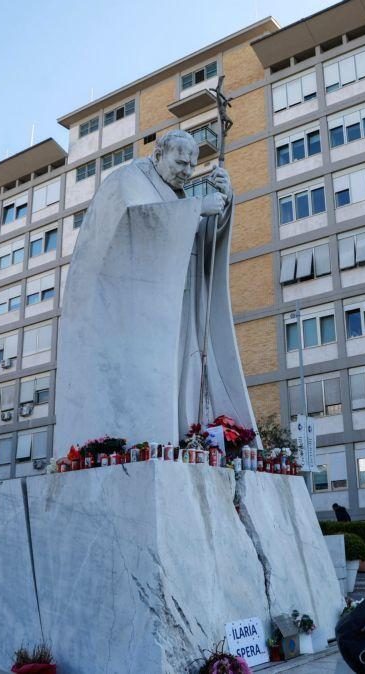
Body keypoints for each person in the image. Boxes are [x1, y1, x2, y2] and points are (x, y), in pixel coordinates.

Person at [55, 130, 258, 451]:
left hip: (181, 298)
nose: (186, 172)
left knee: (187, 370)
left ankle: (188, 434)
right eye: (180, 163)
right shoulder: (129, 180)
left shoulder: (174, 193)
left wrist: (223, 205)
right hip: (142, 312)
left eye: (192, 166)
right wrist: (195, 209)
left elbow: (198, 243)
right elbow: (133, 225)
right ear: (158, 154)